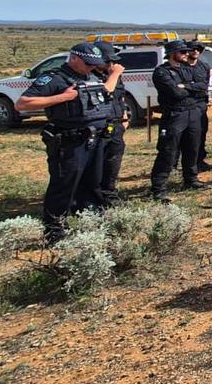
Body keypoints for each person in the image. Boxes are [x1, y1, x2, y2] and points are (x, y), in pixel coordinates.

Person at [16, 43, 113, 241]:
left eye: (94, 64)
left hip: (94, 140)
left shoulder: (91, 76)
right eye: (87, 63)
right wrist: (64, 97)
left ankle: (91, 224)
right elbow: (22, 103)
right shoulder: (54, 78)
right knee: (64, 186)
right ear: (74, 58)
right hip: (70, 142)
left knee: (92, 184)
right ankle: (55, 232)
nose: (91, 67)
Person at [150, 40, 207, 202]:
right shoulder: (162, 72)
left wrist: (186, 86)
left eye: (186, 52)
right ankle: (159, 188)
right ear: (172, 53)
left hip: (193, 113)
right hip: (174, 116)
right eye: (182, 52)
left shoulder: (188, 68)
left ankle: (191, 179)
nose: (186, 54)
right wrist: (189, 88)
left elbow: (202, 86)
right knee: (168, 151)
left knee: (192, 148)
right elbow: (176, 93)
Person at [93, 41, 128, 205]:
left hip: (115, 125)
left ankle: (109, 195)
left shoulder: (113, 75)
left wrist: (125, 115)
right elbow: (105, 91)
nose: (112, 64)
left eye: (113, 61)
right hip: (97, 127)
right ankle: (94, 199)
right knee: (95, 166)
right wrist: (114, 75)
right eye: (108, 61)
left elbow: (120, 96)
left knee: (112, 163)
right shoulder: (89, 76)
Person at [186, 42, 212, 171]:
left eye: (199, 49)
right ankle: (174, 164)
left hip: (200, 105)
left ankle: (200, 161)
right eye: (193, 49)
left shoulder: (204, 67)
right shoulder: (181, 67)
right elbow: (177, 88)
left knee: (201, 133)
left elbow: (204, 86)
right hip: (184, 106)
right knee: (180, 137)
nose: (196, 51)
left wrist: (189, 87)